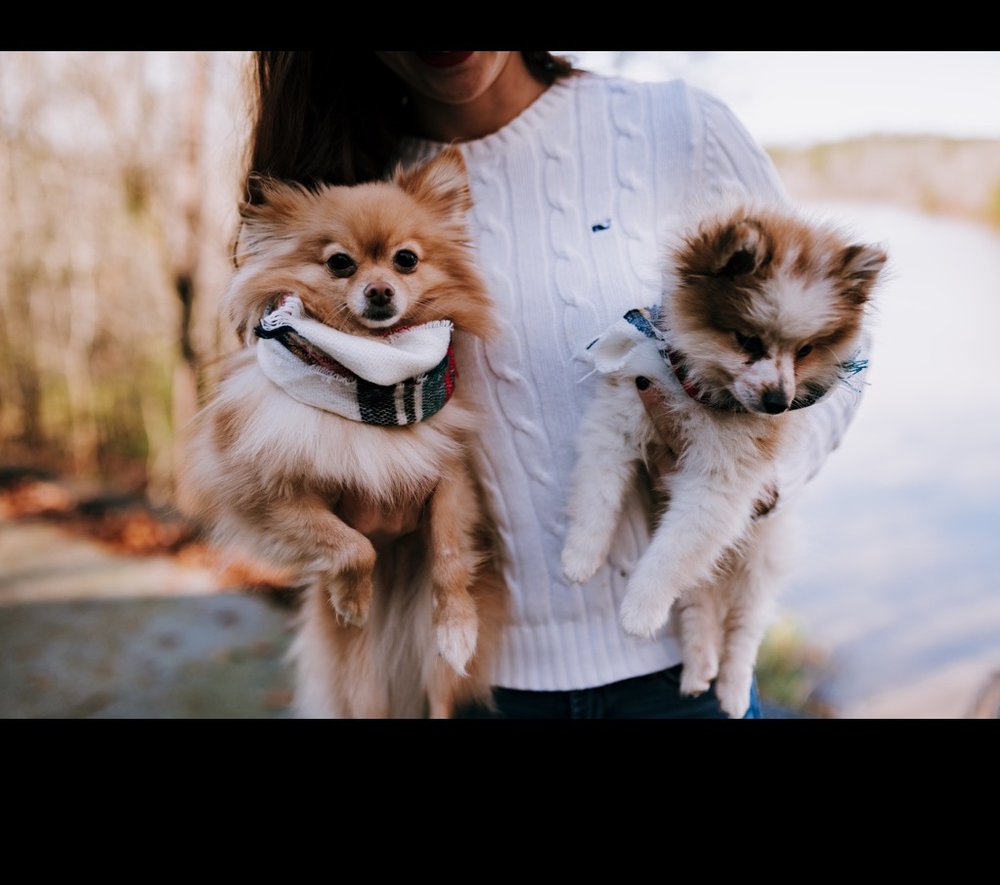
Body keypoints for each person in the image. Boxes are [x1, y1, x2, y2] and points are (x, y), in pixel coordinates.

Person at [241, 51, 863, 719]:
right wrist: (351, 511)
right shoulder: (335, 194)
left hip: (681, 671)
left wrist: (755, 482)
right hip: (465, 682)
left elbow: (840, 350)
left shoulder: (676, 124)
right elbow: (271, 463)